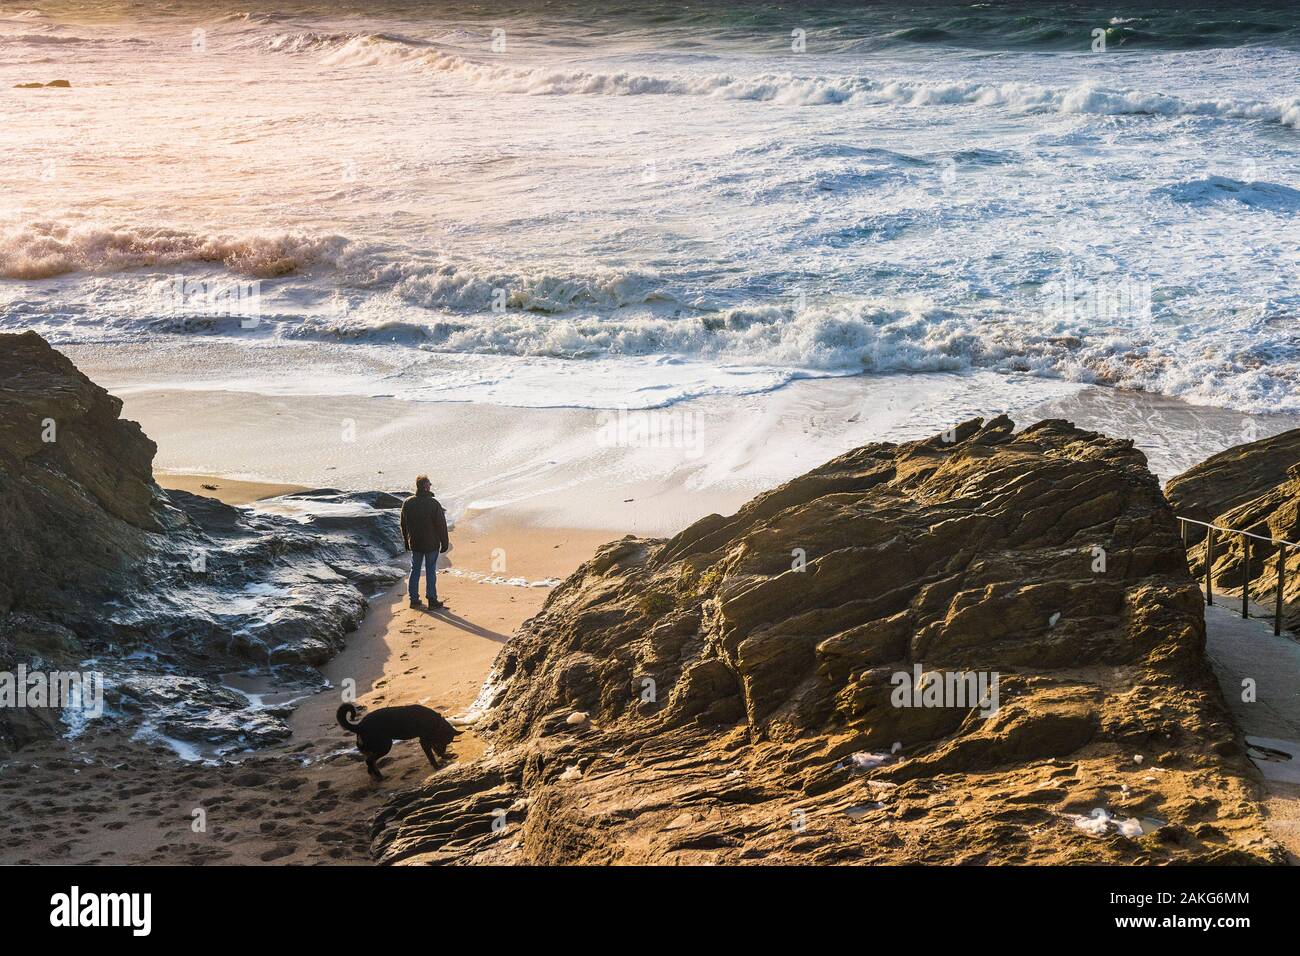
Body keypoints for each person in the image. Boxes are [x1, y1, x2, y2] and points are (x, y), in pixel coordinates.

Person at [400, 475, 449, 610]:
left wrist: (406, 541)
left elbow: (403, 525)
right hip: (431, 543)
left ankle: (414, 600)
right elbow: (441, 525)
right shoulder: (433, 504)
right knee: (430, 570)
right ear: (426, 487)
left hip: (416, 543)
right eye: (429, 485)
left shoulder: (408, 503)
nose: (430, 487)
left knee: (415, 570)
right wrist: (445, 543)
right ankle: (432, 600)